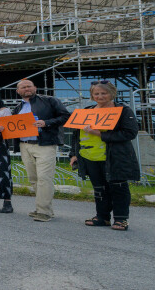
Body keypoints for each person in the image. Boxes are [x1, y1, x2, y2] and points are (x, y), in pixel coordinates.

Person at [69, 80, 138, 231]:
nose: (100, 96)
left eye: (104, 93)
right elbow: (76, 135)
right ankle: (102, 217)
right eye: (96, 93)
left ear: (112, 93)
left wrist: (99, 134)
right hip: (90, 156)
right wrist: (73, 154)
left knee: (118, 187)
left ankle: (121, 219)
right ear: (92, 95)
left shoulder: (123, 111)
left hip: (114, 156)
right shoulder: (87, 111)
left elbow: (130, 133)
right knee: (99, 188)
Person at [12, 79, 70, 222]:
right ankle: (43, 208)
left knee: (44, 178)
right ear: (18, 91)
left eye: (29, 86)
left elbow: (66, 116)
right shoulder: (18, 108)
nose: (27, 89)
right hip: (25, 145)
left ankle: (44, 211)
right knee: (34, 179)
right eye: (23, 87)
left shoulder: (50, 101)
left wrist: (46, 123)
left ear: (35, 88)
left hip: (45, 144)